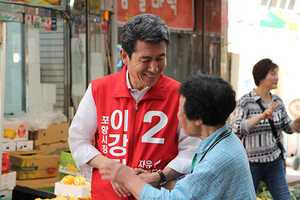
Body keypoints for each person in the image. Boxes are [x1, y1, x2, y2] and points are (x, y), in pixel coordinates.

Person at [68, 13, 200, 200]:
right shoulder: (99, 89)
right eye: (145, 59)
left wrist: (159, 176)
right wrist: (113, 168)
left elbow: (192, 150)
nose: (154, 68)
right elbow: (78, 141)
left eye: (160, 58)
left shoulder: (179, 95)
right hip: (106, 196)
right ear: (124, 56)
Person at [98, 72, 257, 200]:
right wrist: (158, 179)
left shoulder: (218, 160)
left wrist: (128, 179)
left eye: (181, 109)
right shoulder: (223, 141)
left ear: (198, 118)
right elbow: (193, 188)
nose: (177, 115)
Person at [231, 58, 300, 200]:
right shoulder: (246, 101)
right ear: (261, 77)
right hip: (251, 163)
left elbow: (289, 127)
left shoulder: (278, 101)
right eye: (273, 73)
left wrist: (298, 121)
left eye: (277, 73)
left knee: (284, 198)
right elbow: (235, 128)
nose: (277, 77)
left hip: (274, 161)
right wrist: (261, 117)